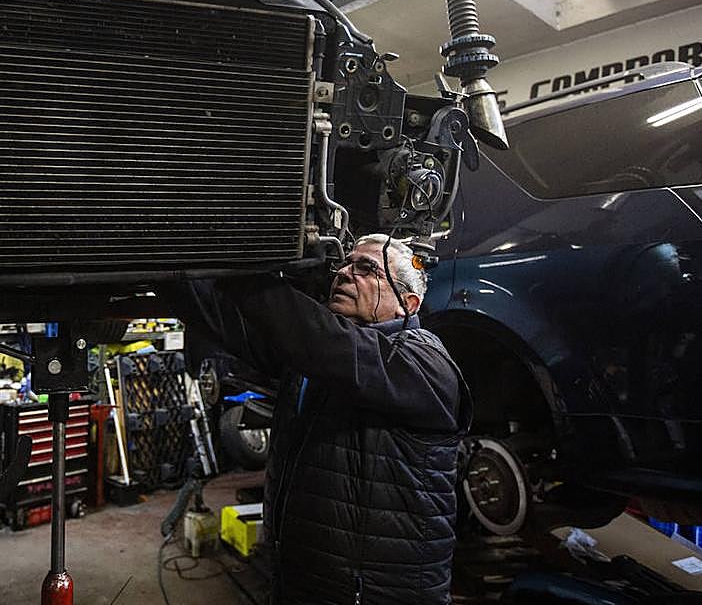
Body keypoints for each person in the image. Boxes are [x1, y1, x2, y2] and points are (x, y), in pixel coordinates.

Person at [159, 233, 471, 604]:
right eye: (344, 264)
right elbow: (227, 319)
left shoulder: (422, 363)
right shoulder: (316, 360)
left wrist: (238, 264)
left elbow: (320, 339)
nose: (343, 273)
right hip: (301, 583)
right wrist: (168, 259)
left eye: (367, 268)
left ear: (408, 302)